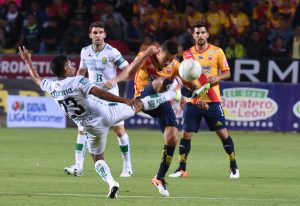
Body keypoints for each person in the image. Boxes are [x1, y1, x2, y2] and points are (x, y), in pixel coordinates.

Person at [18, 46, 181, 199]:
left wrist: (28, 62)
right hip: (107, 114)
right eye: (70, 65)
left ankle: (112, 183)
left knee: (97, 158)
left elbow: (36, 79)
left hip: (90, 127)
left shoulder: (51, 86)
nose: (73, 67)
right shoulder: (78, 81)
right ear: (67, 69)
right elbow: (100, 93)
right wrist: (124, 100)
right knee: (140, 104)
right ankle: (172, 92)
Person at [169, 22, 240, 179]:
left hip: (213, 100)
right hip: (193, 100)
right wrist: (184, 95)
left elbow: (227, 72)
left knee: (222, 133)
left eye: (202, 32)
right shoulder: (187, 54)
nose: (200, 35)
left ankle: (233, 166)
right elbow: (183, 78)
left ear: (207, 34)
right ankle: (181, 169)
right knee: (185, 134)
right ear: (193, 36)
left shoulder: (217, 52)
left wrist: (217, 77)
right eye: (197, 33)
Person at [64, 21, 132, 178]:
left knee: (119, 130)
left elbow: (127, 69)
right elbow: (81, 70)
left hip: (110, 96)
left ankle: (127, 165)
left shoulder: (112, 52)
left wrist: (114, 81)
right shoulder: (85, 51)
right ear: (90, 35)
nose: (98, 35)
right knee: (82, 129)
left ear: (105, 35)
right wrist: (76, 86)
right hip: (92, 96)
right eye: (95, 33)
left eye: (100, 32)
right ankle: (78, 166)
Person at [128, 39, 182, 197]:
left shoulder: (174, 64)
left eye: (171, 59)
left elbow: (188, 81)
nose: (168, 62)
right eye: (166, 58)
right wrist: (145, 54)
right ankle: (174, 92)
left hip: (160, 101)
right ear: (159, 52)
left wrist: (192, 98)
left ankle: (159, 178)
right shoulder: (146, 56)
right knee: (161, 82)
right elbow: (130, 72)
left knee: (172, 138)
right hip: (142, 98)